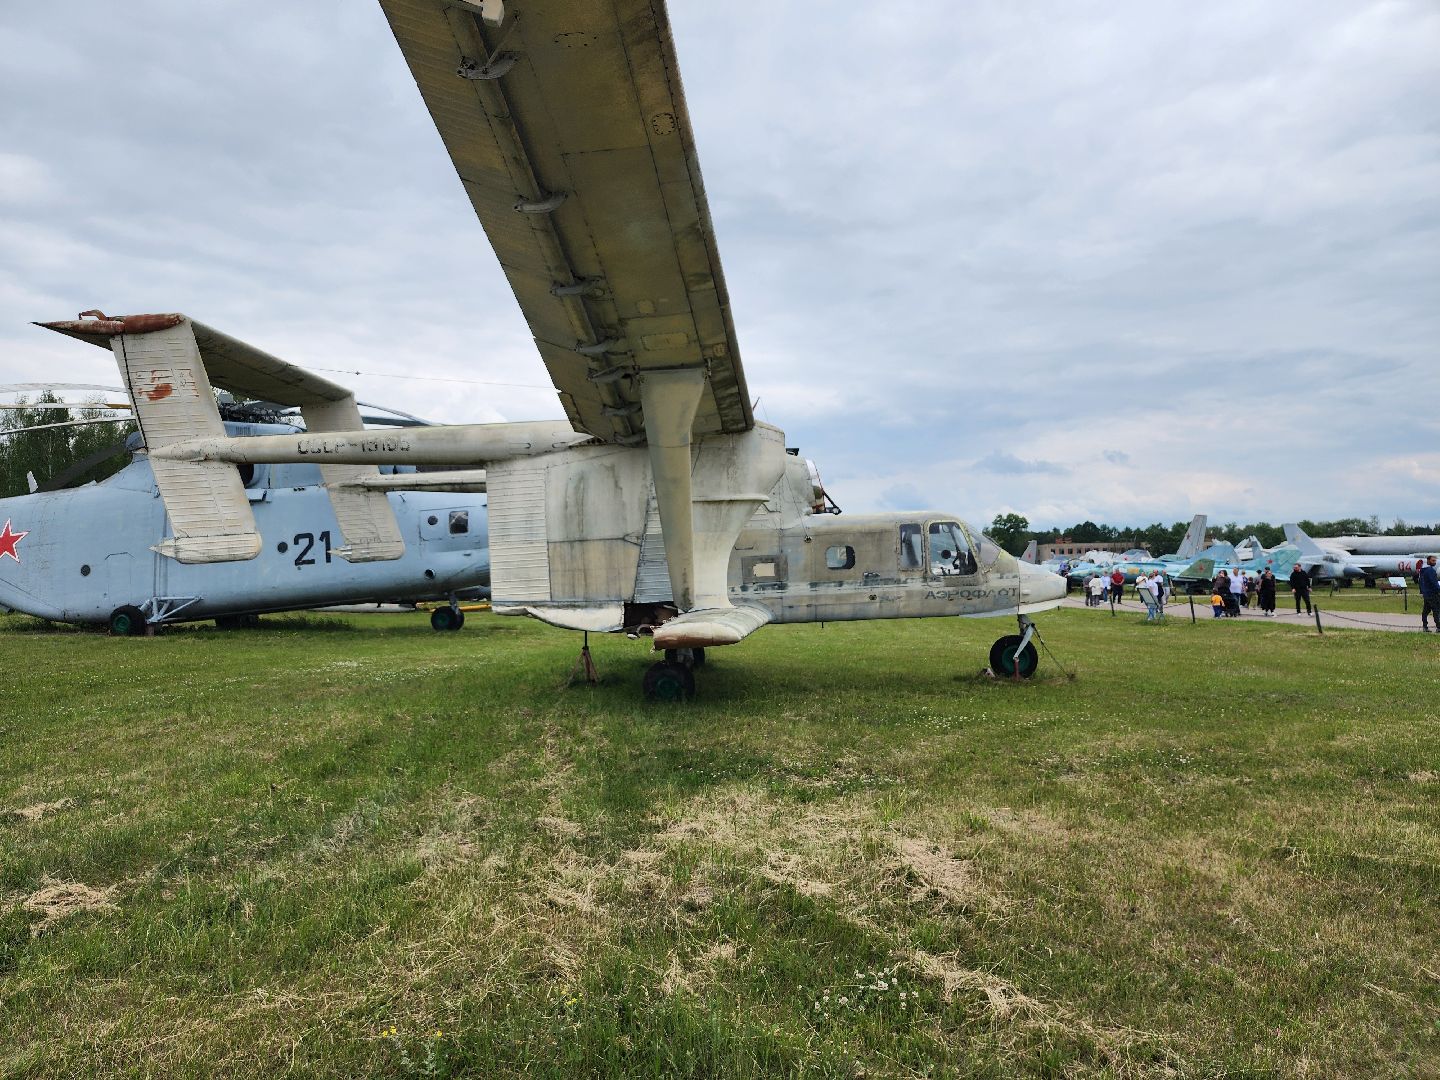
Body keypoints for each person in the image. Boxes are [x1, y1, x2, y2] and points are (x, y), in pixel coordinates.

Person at [1419, 555, 1440, 632]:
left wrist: (1422, 591)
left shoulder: (1423, 570)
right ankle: (1439, 627)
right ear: (1428, 561)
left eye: (1435, 561)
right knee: (1436, 610)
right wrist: (1438, 589)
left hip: (1426, 594)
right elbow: (1434, 583)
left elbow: (1420, 582)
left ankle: (1425, 626)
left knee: (1426, 611)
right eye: (1433, 561)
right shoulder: (1431, 571)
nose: (1434, 562)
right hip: (1433, 594)